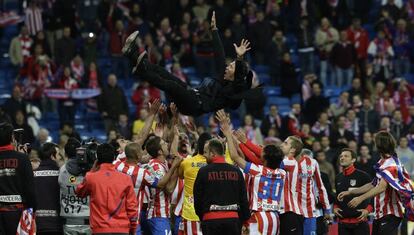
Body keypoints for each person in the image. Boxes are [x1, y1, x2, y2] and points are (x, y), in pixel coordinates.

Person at [122, 12, 259, 116]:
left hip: (194, 105)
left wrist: (240, 58)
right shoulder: (223, 78)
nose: (228, 66)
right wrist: (214, 30)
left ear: (236, 74)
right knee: (164, 73)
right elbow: (220, 55)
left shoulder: (232, 91)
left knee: (171, 86)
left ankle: (141, 70)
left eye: (232, 66)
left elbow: (239, 84)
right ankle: (130, 53)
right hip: (192, 93)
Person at [218, 109, 285, 234]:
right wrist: (238, 142)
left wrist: (228, 133)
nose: (260, 150)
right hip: (275, 218)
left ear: (264, 158)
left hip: (259, 216)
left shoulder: (257, 171)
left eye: (262, 151)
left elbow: (235, 157)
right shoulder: (282, 173)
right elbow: (254, 157)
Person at [338, 131, 406, 235]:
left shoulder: (391, 164)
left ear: (380, 144)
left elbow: (381, 187)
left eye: (375, 142)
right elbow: (373, 184)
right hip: (379, 214)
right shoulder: (381, 162)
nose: (374, 144)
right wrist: (351, 193)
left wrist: (360, 198)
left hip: (390, 213)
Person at [113, 141, 183, 235]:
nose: (143, 153)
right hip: (142, 217)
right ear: (138, 156)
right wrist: (174, 166)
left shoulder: (116, 164)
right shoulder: (142, 173)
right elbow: (161, 185)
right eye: (141, 152)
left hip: (117, 216)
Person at [75, 144, 138, 235]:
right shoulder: (126, 179)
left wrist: (92, 171)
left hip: (100, 230)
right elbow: (132, 208)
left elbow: (79, 192)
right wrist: (133, 228)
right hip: (122, 229)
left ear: (97, 159)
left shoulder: (91, 177)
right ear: (113, 157)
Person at [193, 137, 250, 235]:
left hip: (210, 221)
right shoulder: (236, 171)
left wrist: (202, 217)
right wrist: (244, 221)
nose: (204, 155)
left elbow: (197, 198)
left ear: (212, 154)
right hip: (233, 221)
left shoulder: (203, 171)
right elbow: (243, 199)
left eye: (205, 152)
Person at [0, 122, 37, 234]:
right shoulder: (22, 159)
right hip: (17, 213)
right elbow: (30, 188)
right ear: (12, 137)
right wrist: (32, 210)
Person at [177, 133, 212, 235]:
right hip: (209, 212)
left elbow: (180, 176)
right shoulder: (214, 164)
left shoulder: (186, 162)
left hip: (191, 212)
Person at [334, 148, 372, 235]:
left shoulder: (363, 176)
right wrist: (335, 207)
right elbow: (337, 195)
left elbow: (373, 194)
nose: (342, 158)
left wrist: (368, 209)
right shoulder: (338, 177)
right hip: (343, 224)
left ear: (353, 160)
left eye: (346, 156)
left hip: (360, 223)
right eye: (341, 156)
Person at [58, 138, 91, 235]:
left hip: (68, 220)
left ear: (66, 153)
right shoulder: (89, 170)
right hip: (87, 219)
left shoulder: (62, 170)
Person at [34, 142, 64, 234]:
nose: (60, 157)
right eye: (58, 154)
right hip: (56, 224)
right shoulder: (61, 175)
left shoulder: (32, 174)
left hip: (37, 224)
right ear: (52, 156)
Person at [279, 135, 305, 235]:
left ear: (292, 149)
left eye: (285, 143)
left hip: (291, 212)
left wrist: (245, 143)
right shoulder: (286, 161)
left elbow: (267, 160)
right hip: (283, 211)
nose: (281, 145)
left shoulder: (290, 162)